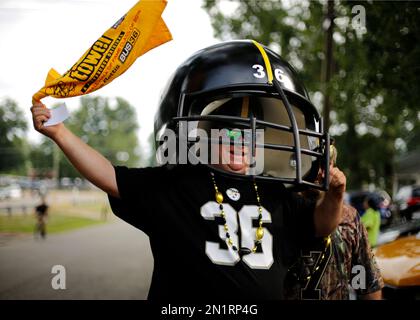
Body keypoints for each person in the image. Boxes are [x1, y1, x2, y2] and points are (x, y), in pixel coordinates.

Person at [31, 40, 346, 300]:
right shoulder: (178, 185)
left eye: (251, 135)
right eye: (232, 132)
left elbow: (320, 225)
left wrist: (335, 195)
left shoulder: (274, 192)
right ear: (207, 136)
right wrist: (60, 133)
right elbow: (109, 175)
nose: (241, 142)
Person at [285, 144, 384, 300]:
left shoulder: (349, 217)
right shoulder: (281, 210)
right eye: (311, 163)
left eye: (324, 163)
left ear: (332, 166)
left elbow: (366, 286)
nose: (318, 172)